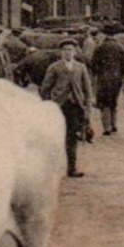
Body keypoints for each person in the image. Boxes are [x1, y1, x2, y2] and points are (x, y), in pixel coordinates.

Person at [40, 38, 94, 178]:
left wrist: (87, 108)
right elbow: (45, 88)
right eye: (64, 50)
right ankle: (53, 168)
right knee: (56, 137)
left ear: (75, 52)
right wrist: (48, 105)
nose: (67, 53)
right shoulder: (54, 67)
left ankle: (72, 167)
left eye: (70, 50)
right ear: (60, 52)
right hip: (59, 107)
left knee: (73, 137)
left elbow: (88, 90)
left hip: (75, 107)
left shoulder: (80, 67)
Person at [91, 25, 124, 135]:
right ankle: (114, 125)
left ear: (104, 34)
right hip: (117, 79)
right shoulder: (120, 47)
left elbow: (93, 64)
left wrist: (95, 74)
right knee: (114, 101)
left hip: (104, 78)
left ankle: (106, 128)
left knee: (104, 103)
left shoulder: (100, 47)